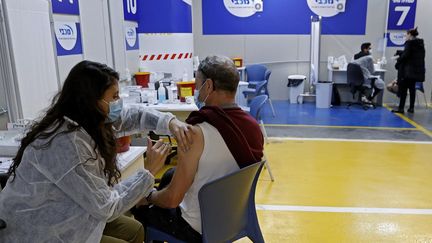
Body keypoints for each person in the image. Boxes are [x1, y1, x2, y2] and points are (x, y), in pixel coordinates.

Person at [0, 60, 194, 242]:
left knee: (135, 230)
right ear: (91, 101)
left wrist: (169, 122)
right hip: (41, 229)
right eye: (115, 97)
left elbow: (131, 116)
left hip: (79, 207)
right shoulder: (67, 144)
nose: (119, 103)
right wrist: (148, 171)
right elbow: (107, 207)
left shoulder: (88, 119)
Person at [132, 55, 264, 242]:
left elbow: (172, 199)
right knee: (170, 174)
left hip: (198, 228)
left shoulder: (195, 134)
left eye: (197, 84)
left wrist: (148, 196)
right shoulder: (252, 126)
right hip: (233, 216)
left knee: (140, 210)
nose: (196, 90)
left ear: (208, 86)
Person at [392, 27, 426, 114]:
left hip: (407, 71)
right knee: (412, 90)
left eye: (406, 35)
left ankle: (401, 108)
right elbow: (413, 55)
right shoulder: (420, 44)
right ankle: (411, 108)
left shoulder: (409, 43)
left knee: (403, 90)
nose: (405, 36)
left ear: (409, 34)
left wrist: (398, 59)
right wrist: (401, 52)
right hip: (416, 72)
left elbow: (406, 55)